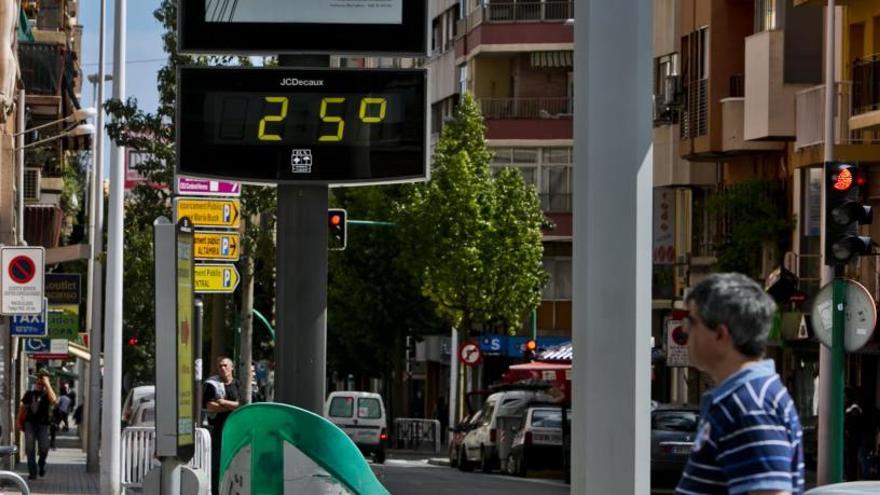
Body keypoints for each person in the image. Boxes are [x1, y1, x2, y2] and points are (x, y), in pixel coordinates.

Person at [676, 273, 804, 494]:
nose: (684, 329)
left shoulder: (750, 405)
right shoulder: (745, 398)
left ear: (720, 334)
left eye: (692, 321)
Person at [203, 356, 240, 495]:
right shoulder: (212, 385)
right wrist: (233, 406)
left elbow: (243, 404)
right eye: (220, 366)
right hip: (218, 431)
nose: (222, 368)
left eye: (225, 365)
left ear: (232, 368)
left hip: (237, 431)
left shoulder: (239, 384)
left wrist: (223, 403)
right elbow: (210, 406)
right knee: (217, 464)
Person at [18, 370, 57, 480]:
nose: (40, 384)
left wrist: (48, 384)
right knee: (30, 449)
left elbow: (54, 400)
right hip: (29, 424)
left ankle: (41, 464)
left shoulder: (47, 394)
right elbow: (22, 408)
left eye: (42, 383)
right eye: (39, 382)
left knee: (44, 448)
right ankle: (32, 472)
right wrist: (18, 422)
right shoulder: (29, 393)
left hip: (43, 425)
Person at [49, 384, 71, 448]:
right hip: (65, 413)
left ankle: (52, 442)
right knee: (63, 422)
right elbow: (68, 407)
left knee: (53, 426)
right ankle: (64, 427)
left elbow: (56, 404)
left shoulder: (60, 397)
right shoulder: (68, 399)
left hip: (58, 412)